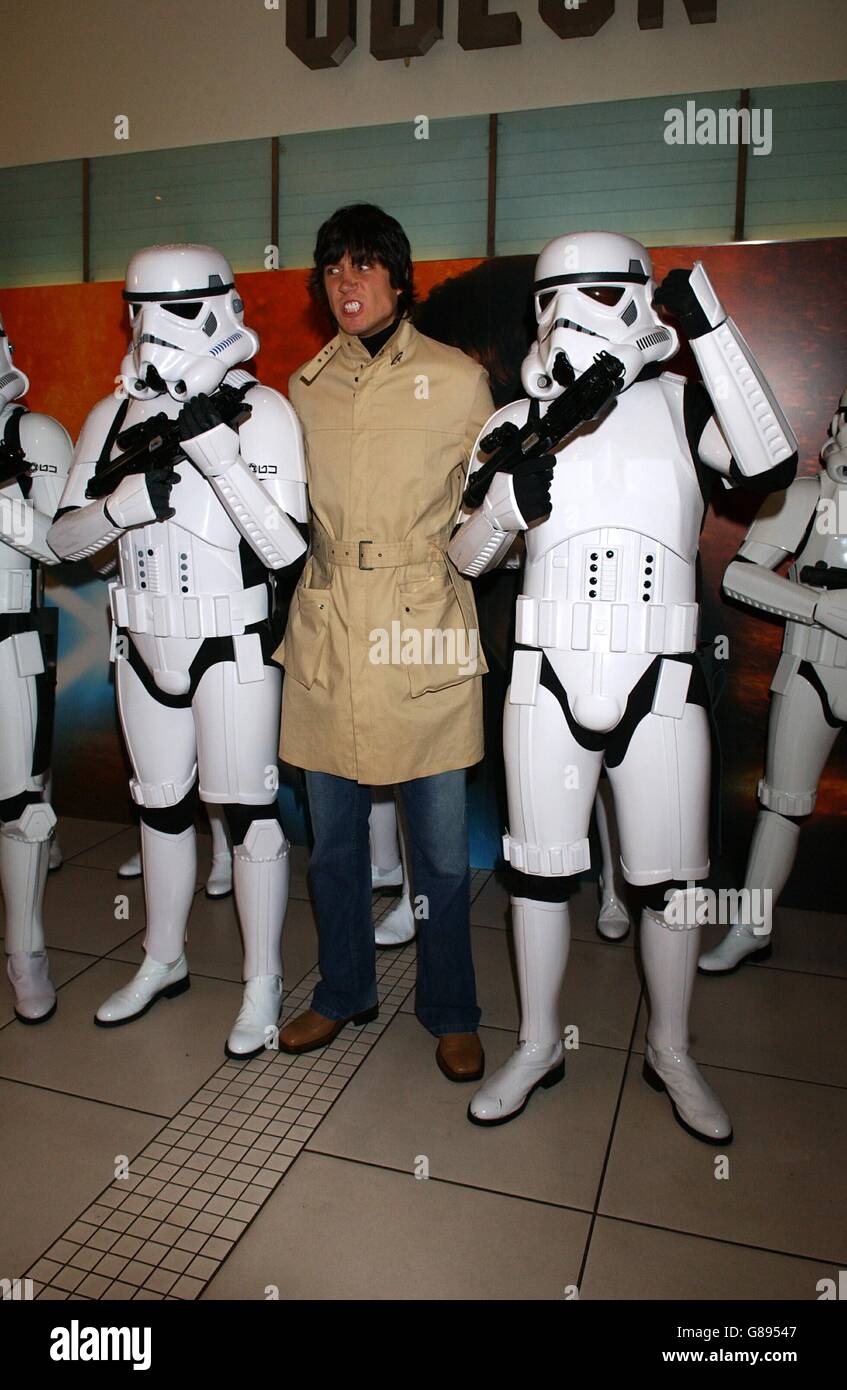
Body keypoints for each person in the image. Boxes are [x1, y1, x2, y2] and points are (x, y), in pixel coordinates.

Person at [449, 231, 797, 1140]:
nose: (570, 318)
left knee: (672, 882)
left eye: (597, 293)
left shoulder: (683, 406)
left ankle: (672, 1048)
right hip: (545, 676)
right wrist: (505, 507)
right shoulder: (511, 423)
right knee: (535, 873)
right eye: (552, 298)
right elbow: (464, 554)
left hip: (661, 680)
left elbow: (768, 465)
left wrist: (710, 328)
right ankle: (536, 1044)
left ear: (637, 296)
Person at [47, 244, 308, 1058]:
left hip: (230, 642)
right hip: (142, 644)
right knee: (160, 807)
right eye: (145, 315)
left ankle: (262, 978)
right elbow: (62, 542)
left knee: (250, 811)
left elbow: (285, 547)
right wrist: (123, 507)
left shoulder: (261, 412)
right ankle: (163, 956)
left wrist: (219, 457)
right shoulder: (109, 417)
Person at [276, 203, 494, 1080]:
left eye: (364, 266)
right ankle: (341, 991)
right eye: (333, 269)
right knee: (329, 844)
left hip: (423, 623)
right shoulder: (303, 388)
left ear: (400, 281)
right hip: (328, 621)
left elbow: (486, 517)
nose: (346, 283)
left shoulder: (456, 381)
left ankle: (450, 1009)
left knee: (438, 853)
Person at [700, 387, 847, 973]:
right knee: (781, 803)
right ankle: (751, 926)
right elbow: (740, 577)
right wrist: (820, 607)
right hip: (812, 662)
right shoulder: (805, 497)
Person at [0, 311, 73, 1021]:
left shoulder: (35, 435)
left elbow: (60, 545)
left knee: (21, 806)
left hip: (9, 638)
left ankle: (25, 949)